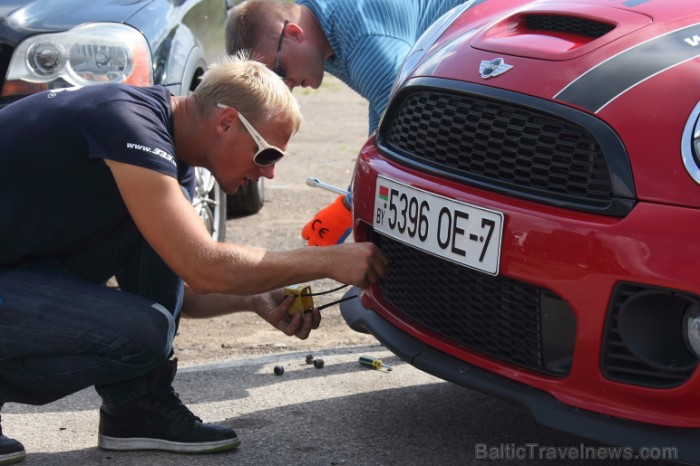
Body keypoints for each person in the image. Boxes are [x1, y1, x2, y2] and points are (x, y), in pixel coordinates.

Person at [0, 53, 388, 464]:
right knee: (142, 332)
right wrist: (327, 260)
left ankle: (137, 408)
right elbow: (203, 266)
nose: (270, 174)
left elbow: (183, 280)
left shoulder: (165, 149)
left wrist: (253, 298)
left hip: (16, 271)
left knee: (152, 294)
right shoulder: (125, 123)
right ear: (225, 122)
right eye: (268, 154)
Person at [225, 0, 467, 246]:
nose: (284, 90)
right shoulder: (319, 26)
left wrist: (350, 206)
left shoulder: (363, 37)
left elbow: (409, 124)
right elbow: (384, 103)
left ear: (294, 33)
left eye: (279, 74)